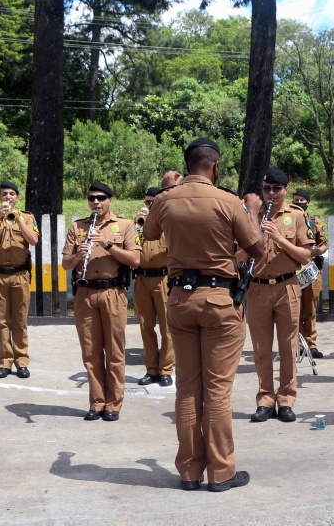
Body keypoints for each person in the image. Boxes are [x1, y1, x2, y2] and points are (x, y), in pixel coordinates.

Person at [142, 137, 265, 492]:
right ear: (214, 167)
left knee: (187, 390)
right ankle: (221, 473)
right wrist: (252, 209)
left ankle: (189, 472)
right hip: (218, 301)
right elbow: (256, 247)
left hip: (180, 299)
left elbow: (149, 233)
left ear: (188, 163)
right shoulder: (229, 201)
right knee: (217, 392)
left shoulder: (165, 200)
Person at [238, 170, 314, 423]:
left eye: (277, 188)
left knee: (288, 347)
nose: (271, 193)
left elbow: (305, 256)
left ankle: (286, 399)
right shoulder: (250, 215)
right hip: (257, 287)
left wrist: (279, 238)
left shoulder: (296, 215)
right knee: (261, 348)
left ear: (286, 190)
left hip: (287, 286)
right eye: (267, 187)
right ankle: (265, 399)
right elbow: (238, 255)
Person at [61, 182, 141, 422]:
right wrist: (78, 255)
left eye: (101, 198)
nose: (96, 202)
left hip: (112, 293)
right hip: (85, 293)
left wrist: (106, 244)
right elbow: (65, 263)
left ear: (110, 200)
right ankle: (96, 402)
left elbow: (135, 259)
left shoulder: (124, 225)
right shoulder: (78, 226)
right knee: (91, 352)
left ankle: (113, 404)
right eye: (92, 198)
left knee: (115, 351)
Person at [0, 181, 40, 379]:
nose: (8, 197)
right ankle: (4, 362)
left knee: (19, 320)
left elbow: (34, 240)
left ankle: (22, 361)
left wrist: (19, 220)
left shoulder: (28, 217)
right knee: (2, 321)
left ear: (17, 197)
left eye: (12, 194)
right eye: (4, 193)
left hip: (20, 274)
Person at [133, 187, 174, 387]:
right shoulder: (137, 224)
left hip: (163, 278)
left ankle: (166, 369)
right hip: (141, 278)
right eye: (148, 202)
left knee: (168, 327)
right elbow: (130, 247)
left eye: (153, 203)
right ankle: (151, 369)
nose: (149, 206)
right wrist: (139, 225)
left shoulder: (169, 223)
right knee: (145, 326)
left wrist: (157, 223)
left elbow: (173, 245)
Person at [292, 189, 328, 358]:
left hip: (311, 271)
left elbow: (324, 244)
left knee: (311, 309)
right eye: (295, 200)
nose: (298, 203)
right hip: (292, 272)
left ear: (308, 202)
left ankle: (311, 345)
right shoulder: (288, 221)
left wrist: (314, 253)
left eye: (302, 200)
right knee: (295, 310)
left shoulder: (315, 222)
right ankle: (298, 345)